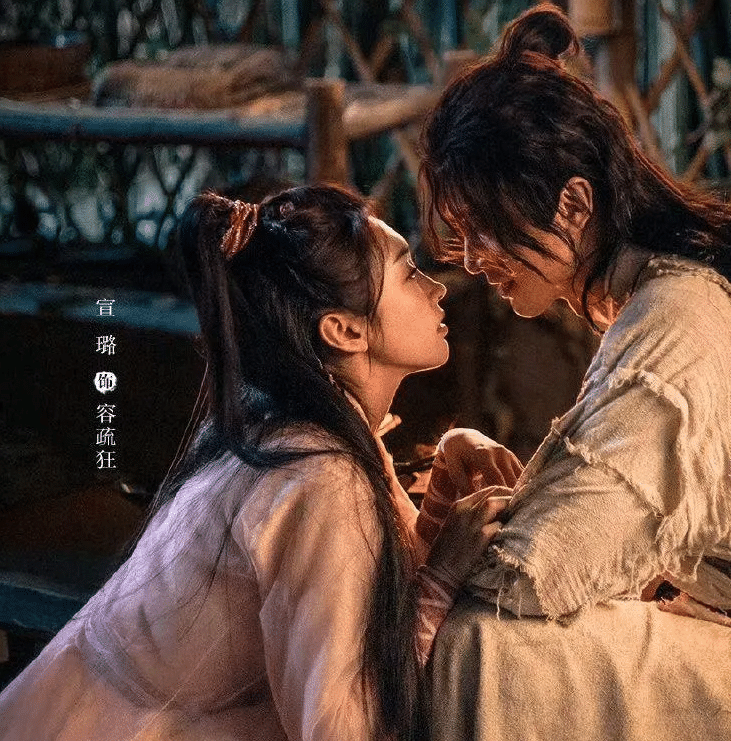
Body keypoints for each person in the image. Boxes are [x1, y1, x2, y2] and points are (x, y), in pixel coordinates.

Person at [418, 6, 731, 741]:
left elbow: (534, 570)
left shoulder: (680, 314)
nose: (469, 260)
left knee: (486, 646)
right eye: (459, 235)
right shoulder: (673, 279)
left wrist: (438, 565)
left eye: (483, 229)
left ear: (573, 205)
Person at [0, 184, 520, 741]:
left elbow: (378, 582)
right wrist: (442, 578)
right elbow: (342, 730)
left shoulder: (298, 428)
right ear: (344, 330)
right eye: (409, 272)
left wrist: (445, 481)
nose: (438, 288)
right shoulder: (319, 477)